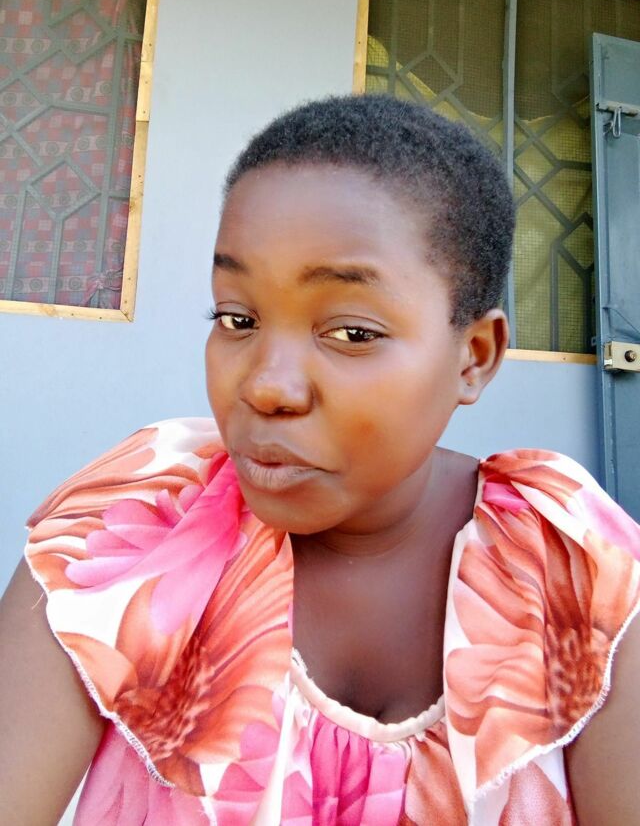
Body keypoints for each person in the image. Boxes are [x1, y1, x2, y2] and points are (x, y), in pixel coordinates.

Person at [1, 95, 639, 826]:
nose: (266, 385)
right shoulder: (136, 524)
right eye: (237, 318)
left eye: (352, 332)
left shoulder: (572, 567)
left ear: (473, 356)